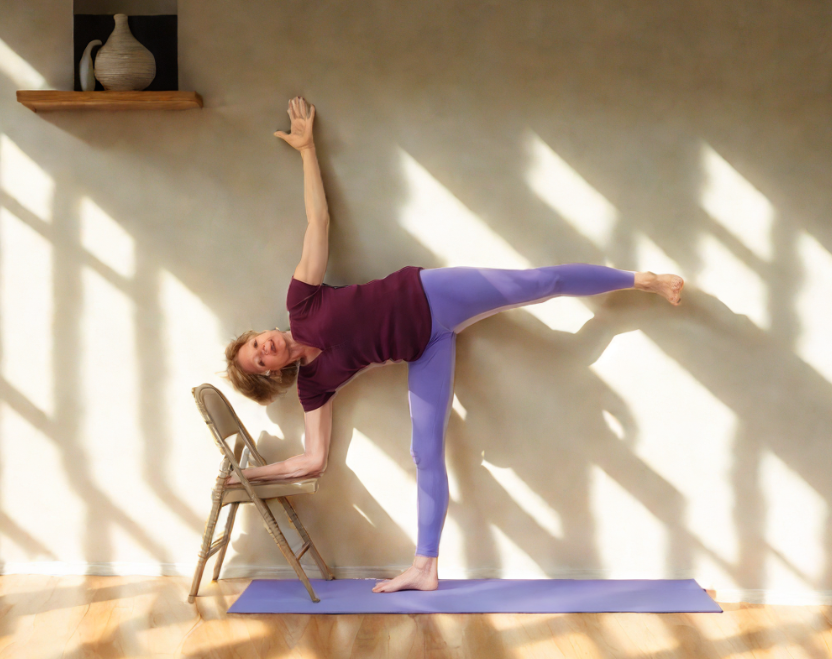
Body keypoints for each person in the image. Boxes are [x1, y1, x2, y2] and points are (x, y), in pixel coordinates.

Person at [224, 96, 685, 594]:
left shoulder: (301, 302)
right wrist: (251, 477)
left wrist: (307, 150)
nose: (266, 344)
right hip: (424, 350)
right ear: (270, 373)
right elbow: (313, 460)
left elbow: (319, 223)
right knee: (426, 451)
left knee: (541, 283)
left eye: (255, 341)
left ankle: (643, 280)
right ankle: (425, 567)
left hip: (430, 292)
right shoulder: (314, 385)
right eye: (260, 357)